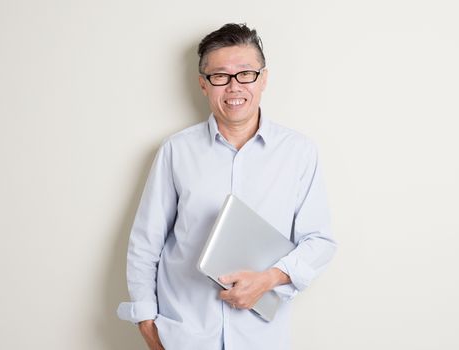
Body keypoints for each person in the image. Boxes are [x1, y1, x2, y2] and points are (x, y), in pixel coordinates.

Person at [117, 23, 337, 350]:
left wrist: (268, 279)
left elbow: (319, 241)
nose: (234, 87)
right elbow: (146, 244)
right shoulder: (176, 150)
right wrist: (149, 328)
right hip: (184, 336)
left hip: (260, 339)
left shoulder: (298, 152)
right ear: (203, 85)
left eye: (245, 73)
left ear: (263, 78)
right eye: (220, 76)